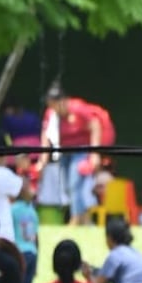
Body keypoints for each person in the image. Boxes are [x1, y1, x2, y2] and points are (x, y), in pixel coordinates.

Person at [42, 85, 104, 225]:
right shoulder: (51, 114)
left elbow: (95, 126)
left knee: (74, 184)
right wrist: (43, 158)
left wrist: (95, 153)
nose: (52, 109)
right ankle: (85, 220)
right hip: (64, 152)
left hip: (81, 151)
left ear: (62, 101)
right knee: (68, 187)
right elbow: (46, 133)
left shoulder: (78, 108)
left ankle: (75, 219)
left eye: (54, 105)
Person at [11, 177, 40, 283]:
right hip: (32, 253)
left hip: (18, 253)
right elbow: (36, 238)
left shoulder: (11, 209)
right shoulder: (32, 211)